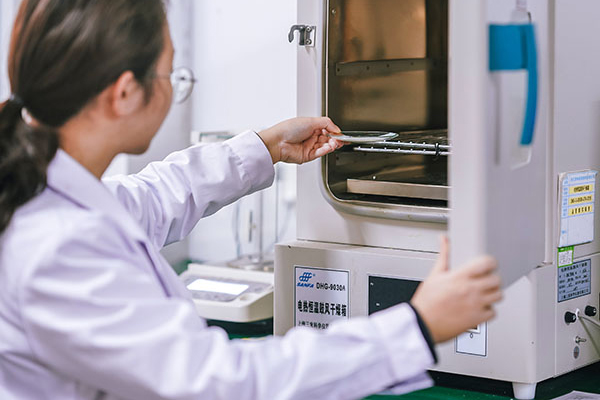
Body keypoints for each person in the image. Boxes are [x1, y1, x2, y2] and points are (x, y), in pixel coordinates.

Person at [0, 1, 502, 399]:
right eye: (171, 75)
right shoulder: (57, 243)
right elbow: (222, 382)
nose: (174, 88)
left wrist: (265, 147)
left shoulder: (46, 194)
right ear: (125, 93)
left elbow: (152, 198)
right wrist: (416, 328)